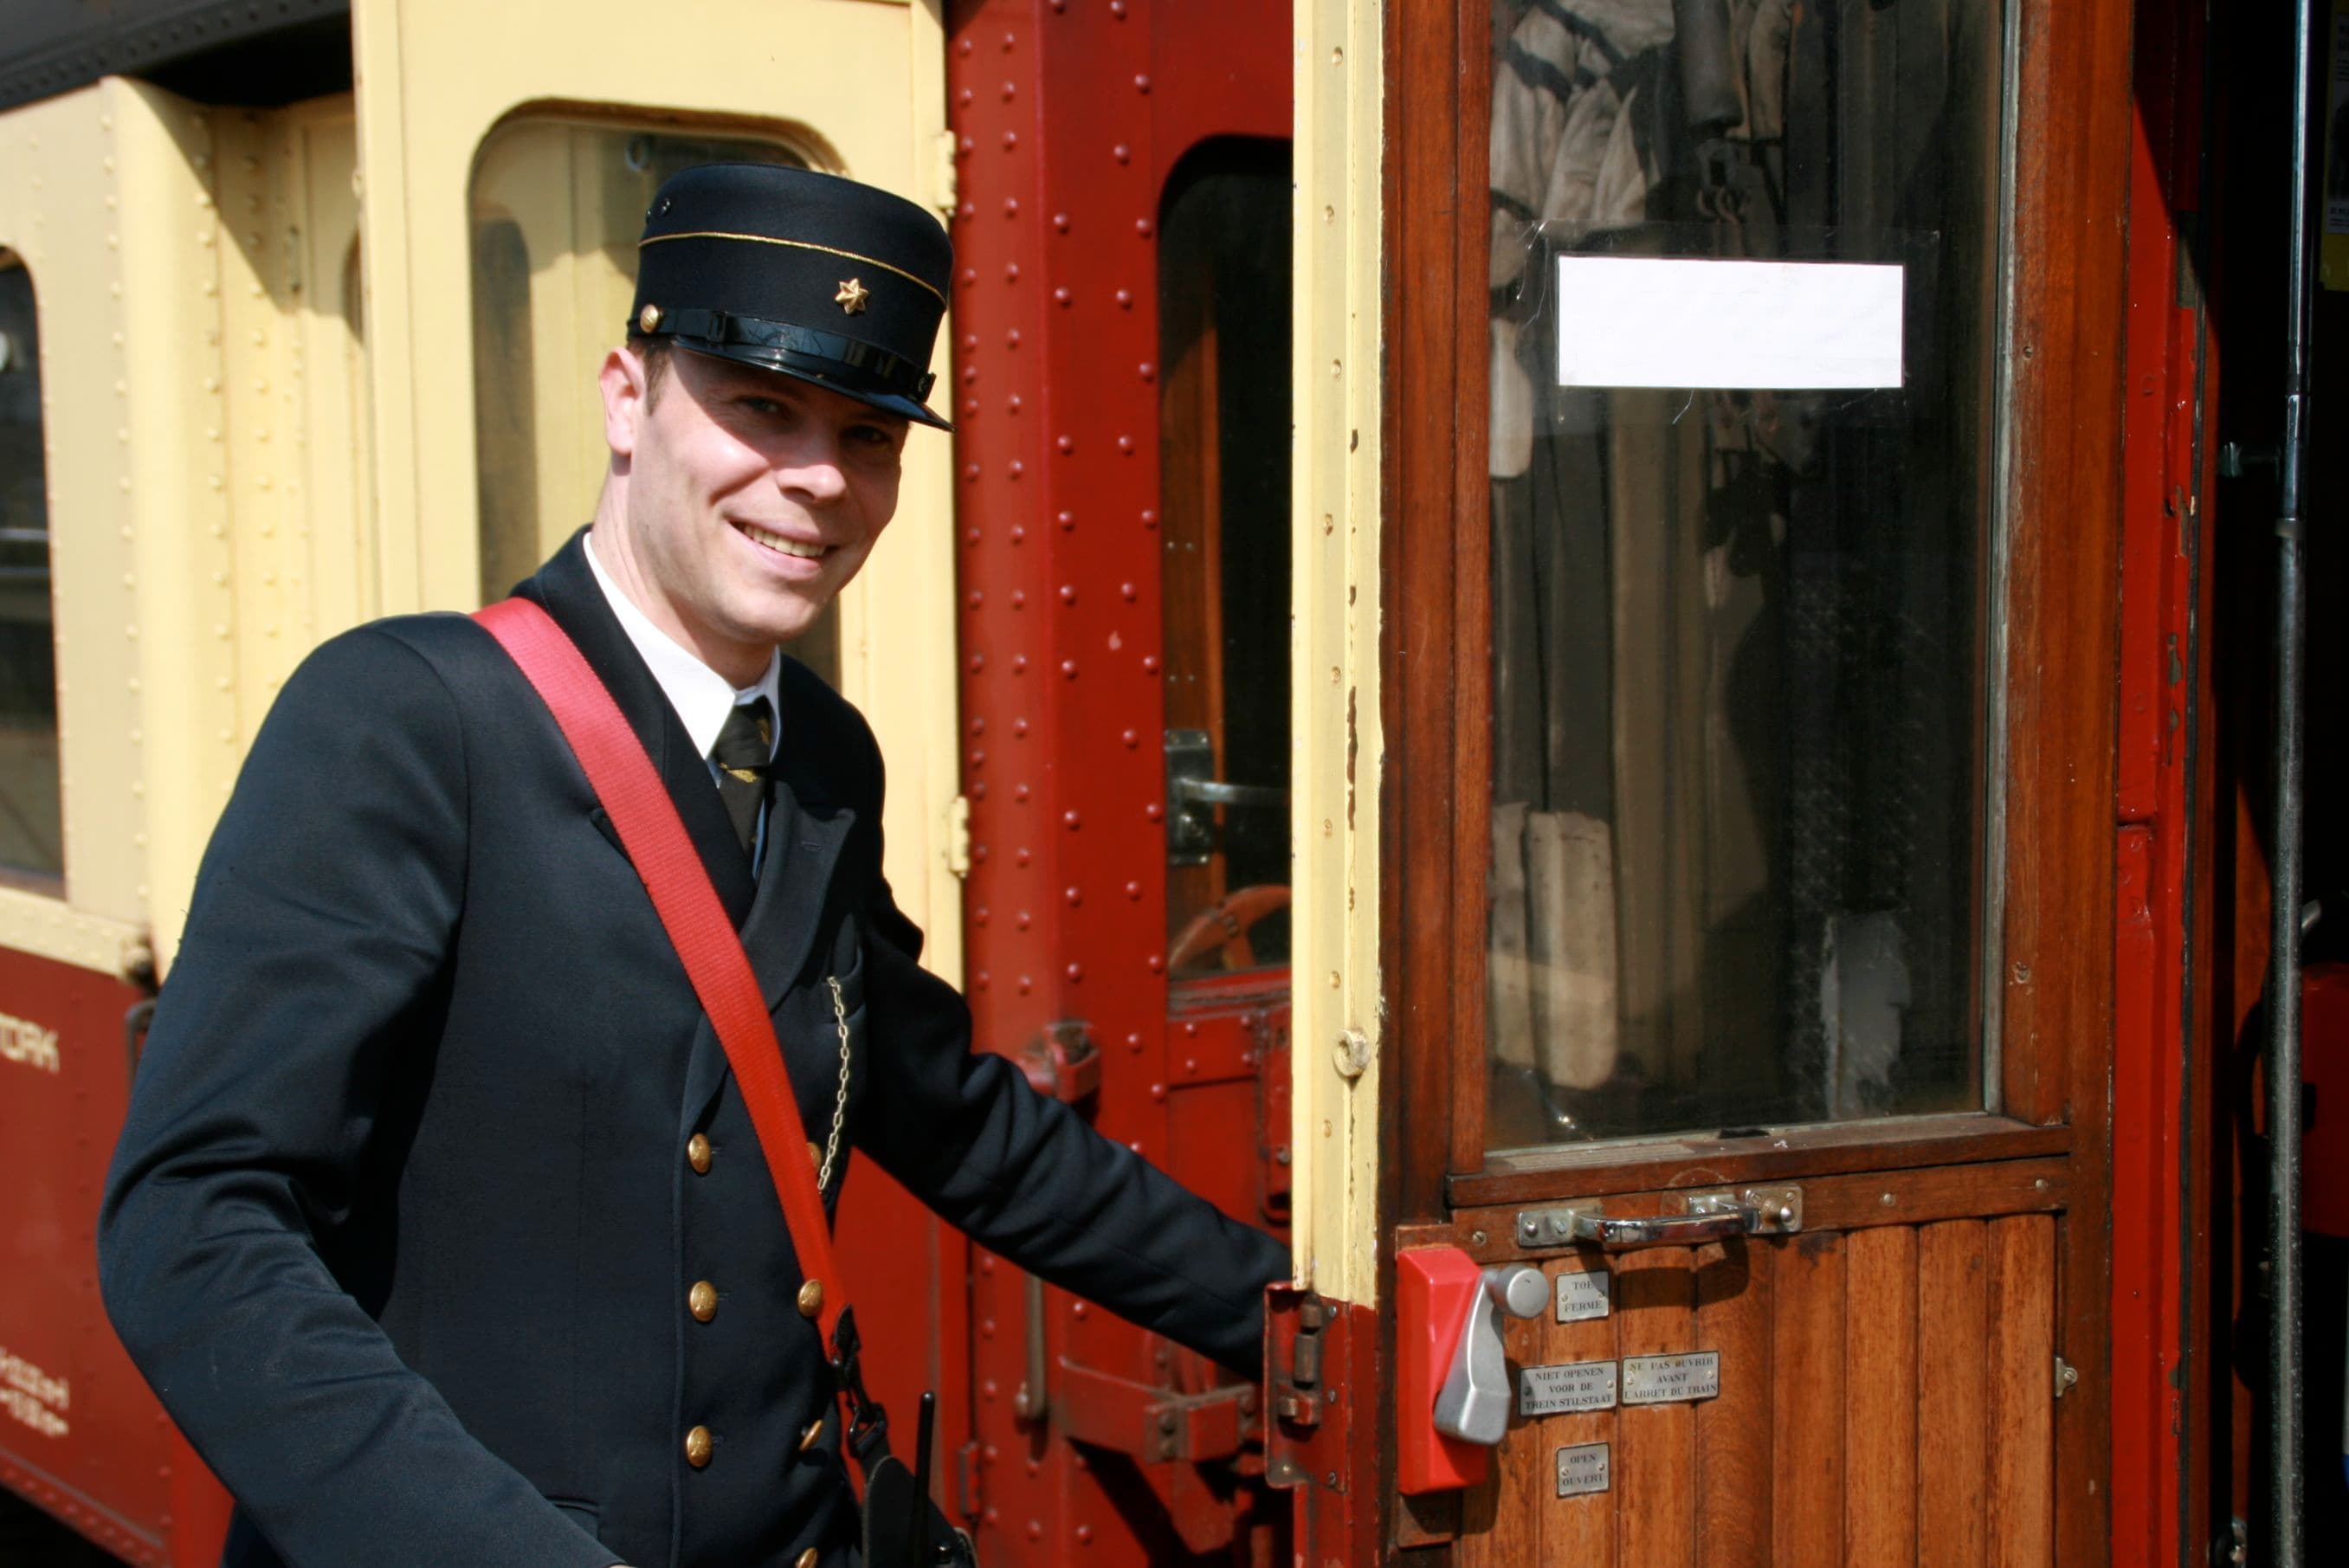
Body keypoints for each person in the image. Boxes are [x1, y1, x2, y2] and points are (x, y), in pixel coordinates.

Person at [97, 164, 1290, 1568]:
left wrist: (1292, 1320)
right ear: (625, 395)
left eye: (870, 431)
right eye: (761, 408)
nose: (820, 478)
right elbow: (196, 1226)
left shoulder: (824, 759)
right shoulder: (411, 720)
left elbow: (944, 1112)